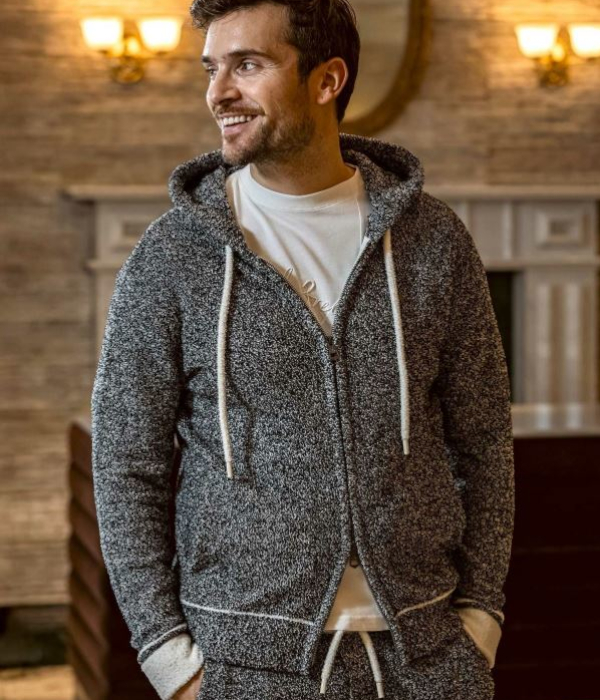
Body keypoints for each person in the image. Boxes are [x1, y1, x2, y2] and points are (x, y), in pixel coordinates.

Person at [90, 0, 515, 698]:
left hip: (428, 654)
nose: (218, 93)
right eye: (211, 69)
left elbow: (485, 437)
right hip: (243, 663)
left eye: (247, 65)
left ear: (326, 80)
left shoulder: (433, 242)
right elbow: (125, 462)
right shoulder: (172, 256)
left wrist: (479, 620)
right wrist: (170, 659)